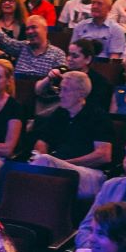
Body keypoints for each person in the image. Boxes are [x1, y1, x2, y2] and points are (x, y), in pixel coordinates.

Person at [26, 70, 113, 199]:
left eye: (65, 90)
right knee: (37, 163)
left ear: (80, 94)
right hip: (60, 167)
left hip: (90, 174)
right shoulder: (61, 113)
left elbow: (103, 156)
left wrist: (63, 163)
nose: (60, 95)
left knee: (44, 165)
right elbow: (43, 140)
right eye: (60, 89)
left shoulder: (97, 116)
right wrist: (41, 155)